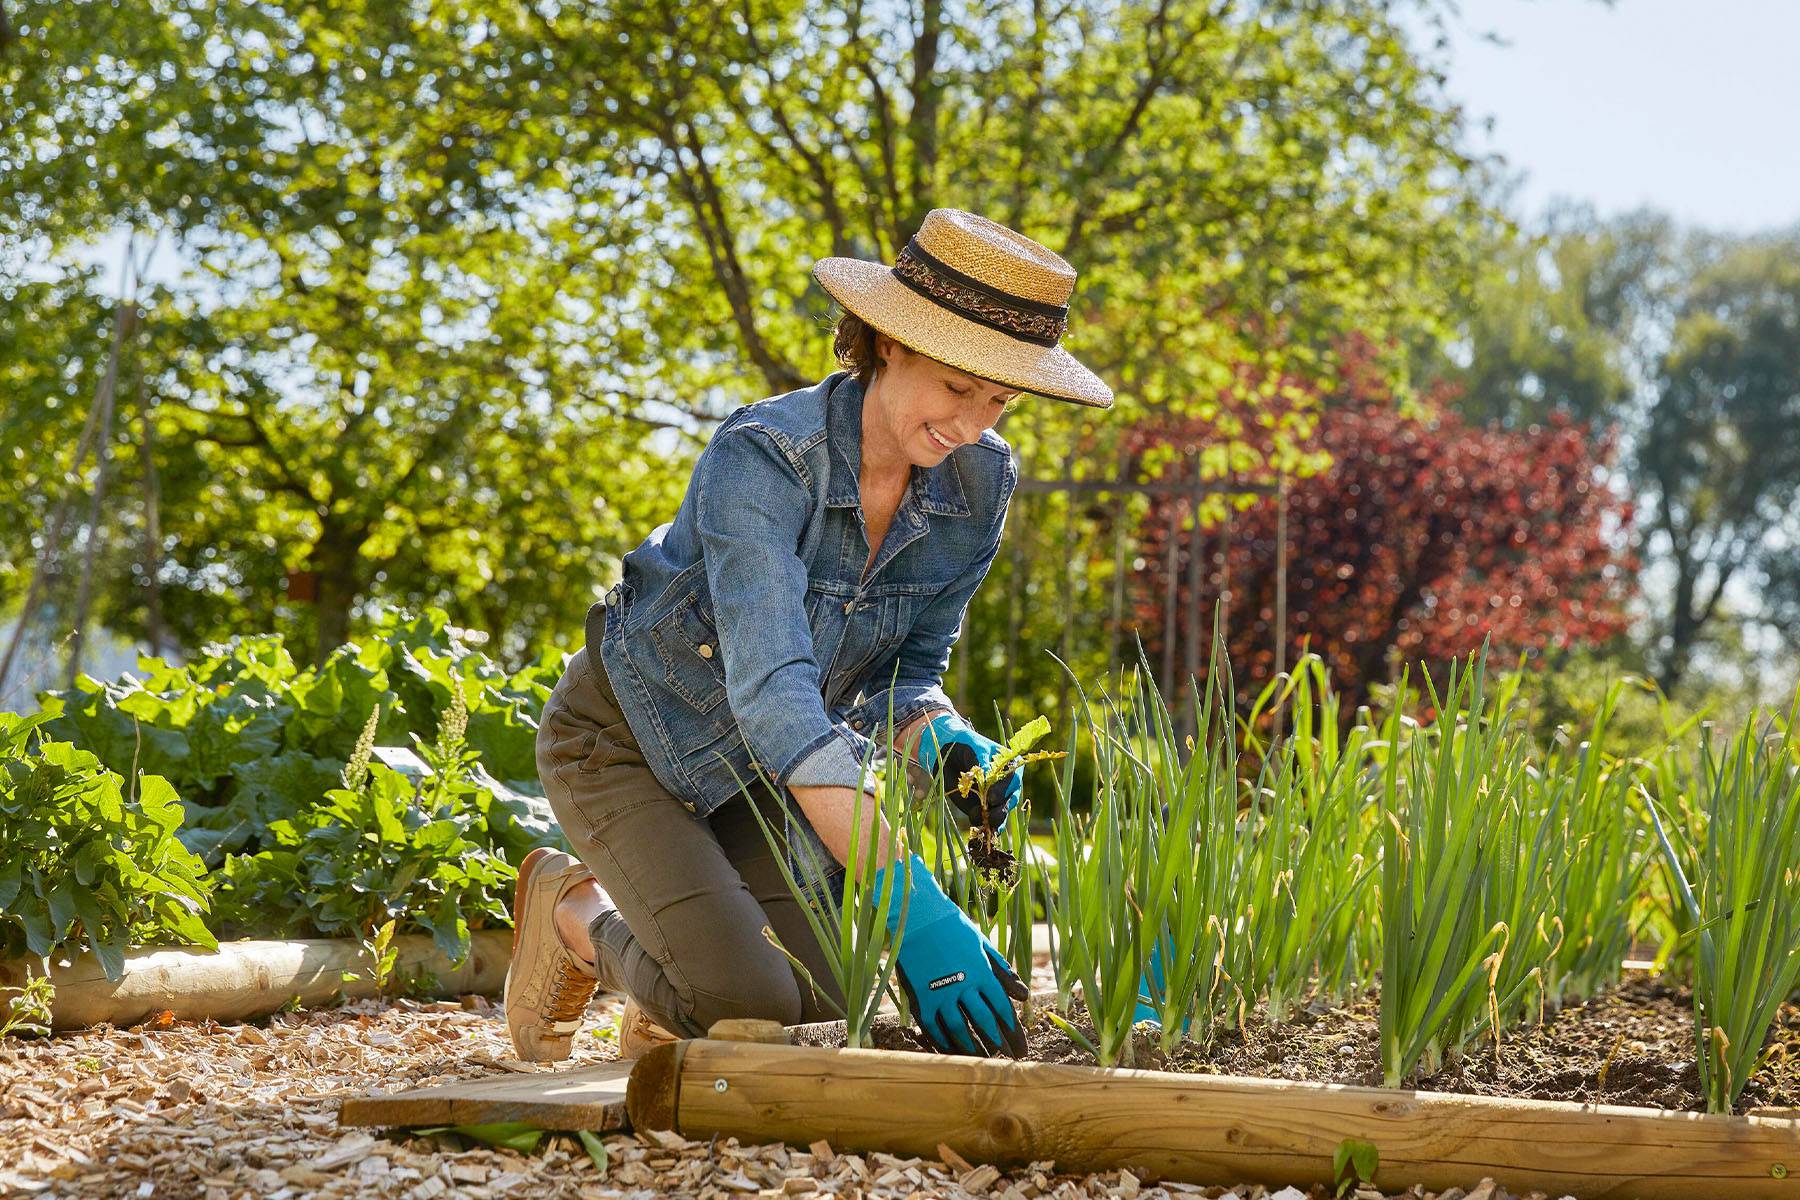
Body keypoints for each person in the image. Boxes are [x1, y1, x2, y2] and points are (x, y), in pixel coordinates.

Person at [503, 207, 1112, 1063]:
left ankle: (672, 970)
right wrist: (914, 902)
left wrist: (942, 739)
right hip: (627, 740)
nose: (973, 425)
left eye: (1000, 399)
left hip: (759, 776)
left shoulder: (980, 482)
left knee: (825, 998)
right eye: (956, 388)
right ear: (890, 342)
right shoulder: (764, 456)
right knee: (741, 1001)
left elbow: (908, 669)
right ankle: (574, 915)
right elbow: (780, 700)